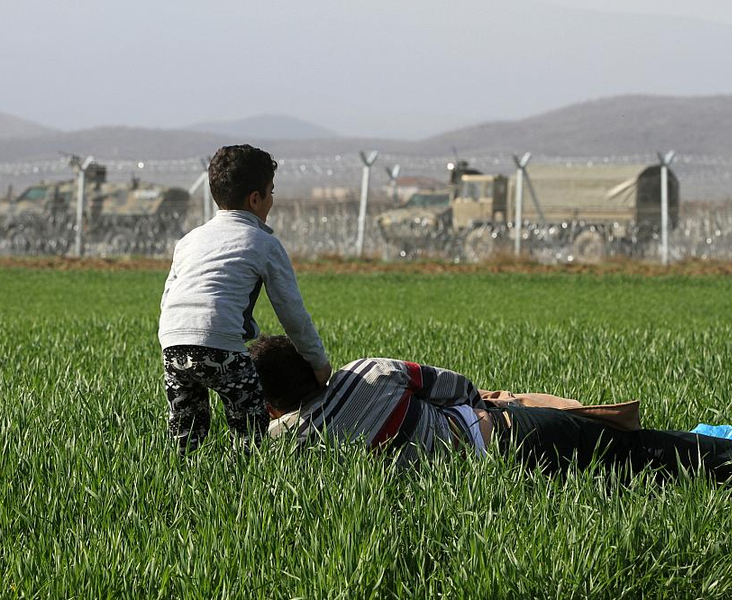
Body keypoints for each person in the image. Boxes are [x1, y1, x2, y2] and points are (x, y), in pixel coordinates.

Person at [250, 335, 732, 481]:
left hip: (489, 477)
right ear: (310, 366)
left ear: (270, 406)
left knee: (621, 477)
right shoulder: (368, 372)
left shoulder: (287, 444)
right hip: (503, 434)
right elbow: (456, 386)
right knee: (635, 449)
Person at [158, 146, 331, 453]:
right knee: (250, 426)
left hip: (172, 343)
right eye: (271, 192)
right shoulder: (263, 243)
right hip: (220, 344)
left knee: (186, 431)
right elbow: (291, 312)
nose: (272, 199)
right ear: (255, 199)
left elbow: (169, 297)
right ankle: (245, 481)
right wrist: (318, 362)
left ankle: (180, 479)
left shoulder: (188, 241)